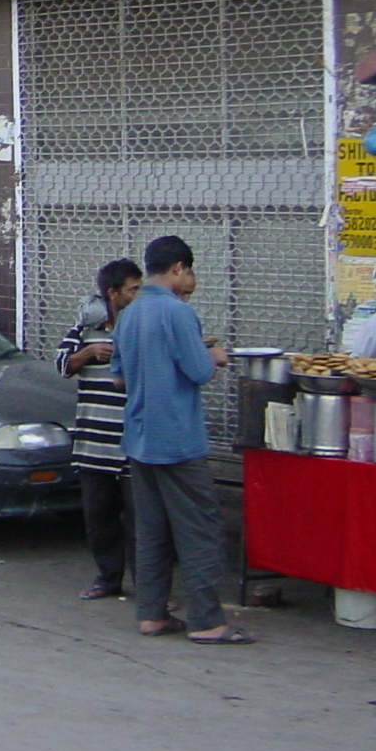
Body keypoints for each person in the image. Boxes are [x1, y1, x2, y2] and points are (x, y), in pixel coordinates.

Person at [109, 234, 248, 644]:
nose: (191, 280)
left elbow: (118, 378)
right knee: (200, 528)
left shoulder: (129, 314)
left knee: (151, 530)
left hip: (138, 437)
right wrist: (215, 357)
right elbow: (199, 371)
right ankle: (207, 621)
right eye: (190, 272)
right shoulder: (178, 313)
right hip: (177, 439)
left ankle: (151, 615)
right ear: (178, 270)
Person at [55, 258, 142, 601]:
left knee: (142, 523)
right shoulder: (85, 328)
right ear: (113, 293)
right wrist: (88, 352)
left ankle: (149, 586)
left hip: (134, 442)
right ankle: (108, 579)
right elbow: (62, 364)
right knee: (99, 518)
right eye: (133, 289)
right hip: (93, 444)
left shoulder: (142, 325)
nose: (139, 294)